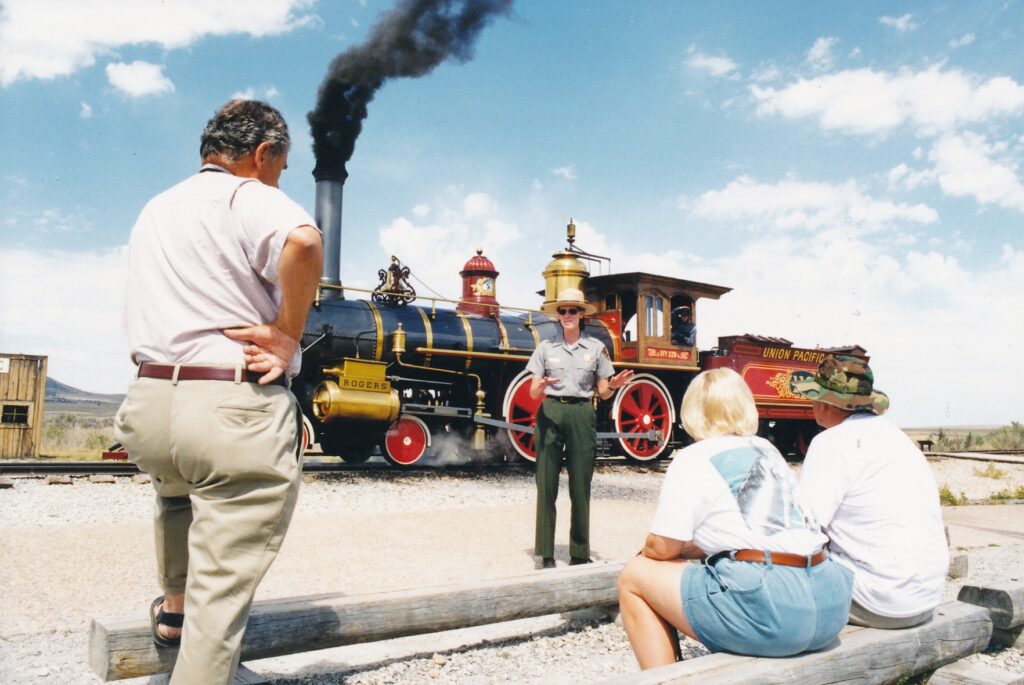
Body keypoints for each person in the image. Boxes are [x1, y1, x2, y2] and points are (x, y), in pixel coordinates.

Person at [113, 99, 323, 684]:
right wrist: (287, 334)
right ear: (261, 154)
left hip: (152, 405)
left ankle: (172, 612)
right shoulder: (249, 194)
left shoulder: (157, 206)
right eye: (281, 167)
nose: (280, 178)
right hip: (228, 404)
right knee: (224, 584)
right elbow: (304, 244)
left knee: (178, 492)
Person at [618, 368, 852, 669]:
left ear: (692, 410)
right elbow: (756, 533)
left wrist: (649, 551)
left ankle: (662, 679)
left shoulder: (693, 458)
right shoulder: (767, 449)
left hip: (778, 613)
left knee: (634, 575)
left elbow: (662, 547)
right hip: (830, 602)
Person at [791, 355, 948, 629]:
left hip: (881, 604)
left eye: (815, 396)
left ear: (827, 403)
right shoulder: (896, 437)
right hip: (925, 598)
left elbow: (803, 531)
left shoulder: (830, 443)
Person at [526, 288, 634, 568]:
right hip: (550, 411)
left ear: (582, 314)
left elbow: (603, 391)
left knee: (580, 485)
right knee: (546, 483)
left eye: (572, 310)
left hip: (582, 413)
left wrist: (613, 385)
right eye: (562, 311)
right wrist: (540, 385)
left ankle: (579, 553)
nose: (567, 315)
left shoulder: (596, 349)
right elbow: (533, 393)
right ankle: (546, 553)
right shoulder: (545, 348)